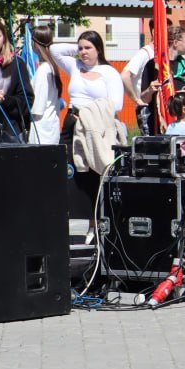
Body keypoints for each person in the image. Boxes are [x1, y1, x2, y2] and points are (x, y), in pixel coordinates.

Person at [51, 30, 125, 229]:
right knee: (69, 173)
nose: (83, 52)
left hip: (94, 126)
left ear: (98, 49)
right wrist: (78, 47)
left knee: (92, 174)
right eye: (80, 48)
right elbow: (54, 49)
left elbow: (116, 105)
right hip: (71, 126)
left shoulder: (109, 72)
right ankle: (69, 225)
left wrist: (87, 112)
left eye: (88, 48)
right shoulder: (75, 66)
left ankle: (95, 225)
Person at [137, 26, 185, 134]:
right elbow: (144, 99)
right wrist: (150, 90)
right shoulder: (154, 66)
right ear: (175, 42)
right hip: (159, 125)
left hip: (184, 127)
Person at [26, 24, 64, 146]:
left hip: (41, 129)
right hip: (51, 126)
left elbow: (38, 105)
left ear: (35, 44)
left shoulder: (44, 70)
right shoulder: (52, 67)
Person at [120, 21, 157, 135]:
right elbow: (124, 76)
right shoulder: (144, 53)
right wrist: (137, 100)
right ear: (154, 31)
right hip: (147, 107)